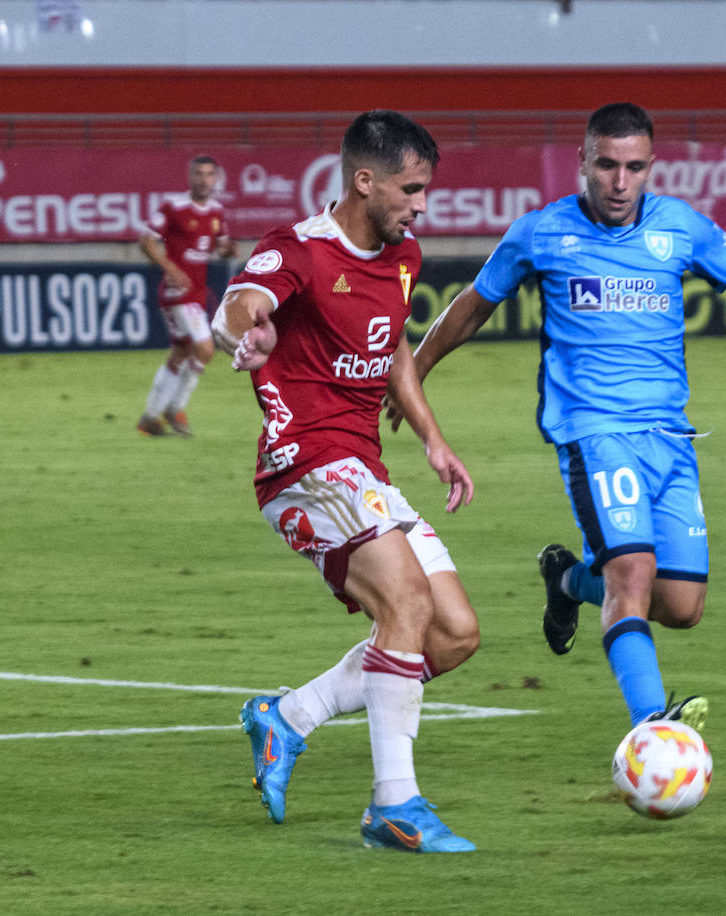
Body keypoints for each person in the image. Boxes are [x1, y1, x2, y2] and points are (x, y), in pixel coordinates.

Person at [398, 102, 726, 736]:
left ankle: (570, 579)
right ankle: (653, 730)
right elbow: (472, 307)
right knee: (631, 578)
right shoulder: (541, 233)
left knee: (682, 606)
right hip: (594, 434)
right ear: (584, 161)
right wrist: (414, 370)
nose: (619, 181)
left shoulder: (679, 227)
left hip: (670, 438)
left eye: (634, 167)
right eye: (606, 165)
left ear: (652, 166)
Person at [212, 110, 480, 853]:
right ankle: (395, 806)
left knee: (454, 636)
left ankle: (289, 717)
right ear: (365, 181)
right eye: (411, 188)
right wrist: (249, 334)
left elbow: (390, 345)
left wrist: (433, 439)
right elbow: (236, 309)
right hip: (302, 467)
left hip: (363, 468)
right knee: (406, 598)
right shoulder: (297, 249)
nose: (422, 204)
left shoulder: (404, 256)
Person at [135, 155, 239, 436]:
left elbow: (219, 246)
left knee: (181, 353)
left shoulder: (217, 211)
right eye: (198, 174)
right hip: (177, 292)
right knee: (205, 349)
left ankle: (150, 417)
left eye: (209, 175)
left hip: (196, 292)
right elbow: (146, 240)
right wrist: (170, 268)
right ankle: (174, 408)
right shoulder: (174, 207)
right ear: (190, 177)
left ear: (215, 178)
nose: (204, 180)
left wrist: (228, 250)